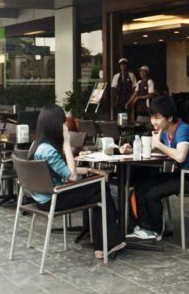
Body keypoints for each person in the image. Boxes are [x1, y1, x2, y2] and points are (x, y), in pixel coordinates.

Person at [28, 104, 125, 259]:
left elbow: (62, 169)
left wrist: (89, 170)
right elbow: (72, 176)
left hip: (41, 197)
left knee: (96, 185)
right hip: (53, 198)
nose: (65, 126)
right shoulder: (49, 151)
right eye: (63, 122)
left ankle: (106, 238)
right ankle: (107, 243)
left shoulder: (38, 146)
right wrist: (67, 144)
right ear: (55, 125)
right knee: (99, 188)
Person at [122, 95, 189, 241]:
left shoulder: (183, 130)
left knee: (153, 192)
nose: (153, 121)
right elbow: (152, 147)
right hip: (182, 175)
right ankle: (144, 226)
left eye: (157, 117)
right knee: (142, 186)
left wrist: (158, 145)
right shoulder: (165, 132)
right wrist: (131, 149)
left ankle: (154, 230)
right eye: (152, 117)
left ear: (169, 118)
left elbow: (180, 156)